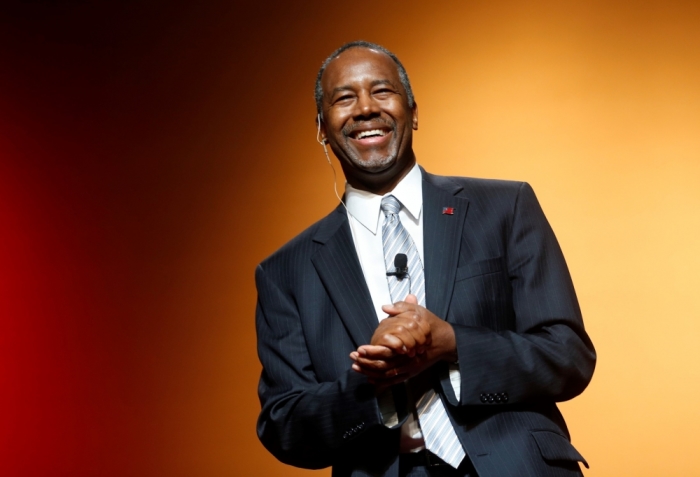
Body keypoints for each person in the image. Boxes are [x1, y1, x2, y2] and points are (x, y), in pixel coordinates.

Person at [255, 40, 596, 477]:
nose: (364, 109)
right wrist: (374, 384)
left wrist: (452, 344)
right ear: (322, 126)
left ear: (414, 112)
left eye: (382, 91)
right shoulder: (286, 272)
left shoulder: (505, 208)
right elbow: (284, 425)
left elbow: (568, 357)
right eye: (344, 98)